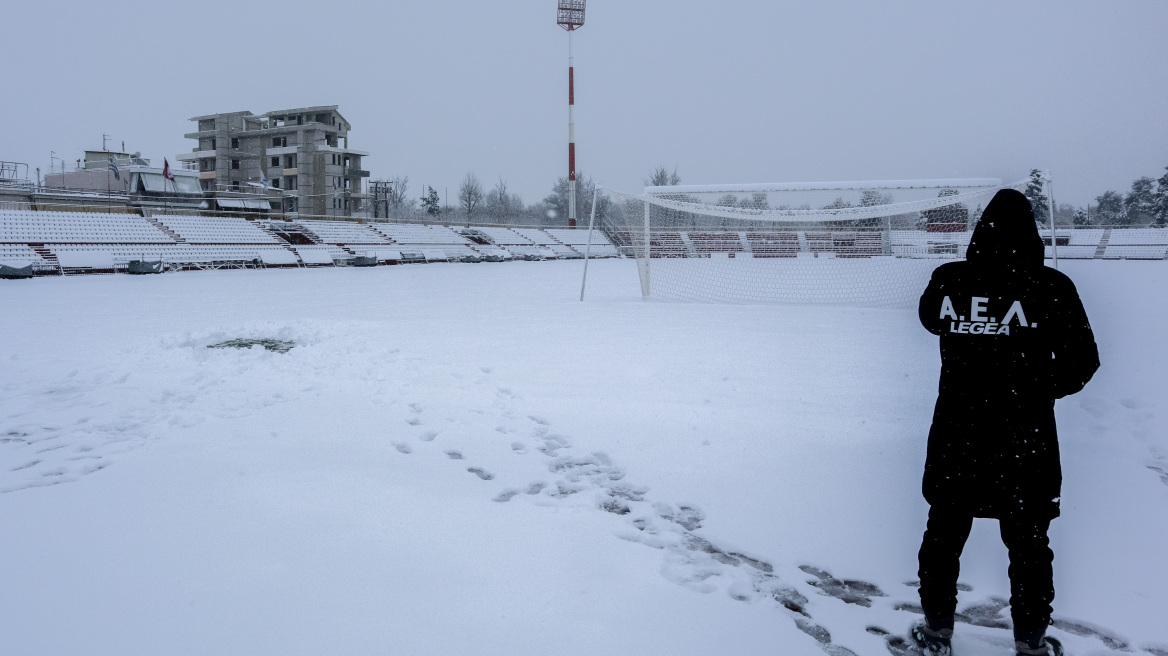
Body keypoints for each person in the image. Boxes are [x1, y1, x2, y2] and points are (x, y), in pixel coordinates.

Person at [912, 189, 1100, 656]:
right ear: (1031, 233)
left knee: (943, 533)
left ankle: (937, 633)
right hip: (1025, 440)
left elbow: (930, 320)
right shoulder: (1051, 286)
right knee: (1030, 544)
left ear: (980, 230)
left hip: (958, 433)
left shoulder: (949, 279)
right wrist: (1033, 390)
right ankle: (1031, 643)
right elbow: (1082, 363)